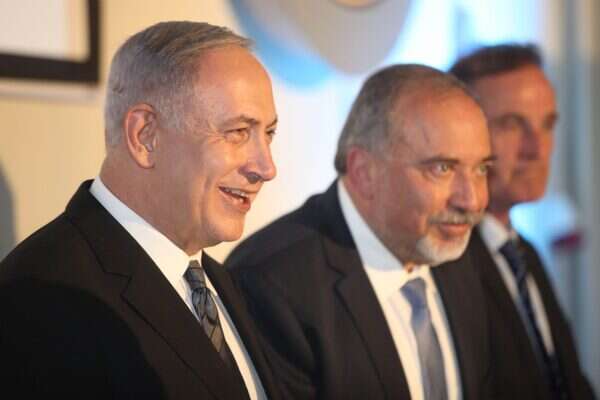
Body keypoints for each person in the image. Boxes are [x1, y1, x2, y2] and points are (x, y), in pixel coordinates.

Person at [0, 21, 281, 400]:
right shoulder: (39, 300)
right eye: (238, 132)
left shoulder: (219, 281)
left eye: (268, 134)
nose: (266, 167)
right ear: (145, 135)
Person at [226, 64, 496, 399]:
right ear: (364, 172)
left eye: (481, 169)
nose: (472, 200)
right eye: (443, 168)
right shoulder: (270, 283)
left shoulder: (462, 253)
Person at [451, 44, 595, 399]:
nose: (538, 149)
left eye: (547, 124)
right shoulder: (443, 263)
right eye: (512, 124)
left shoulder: (524, 254)